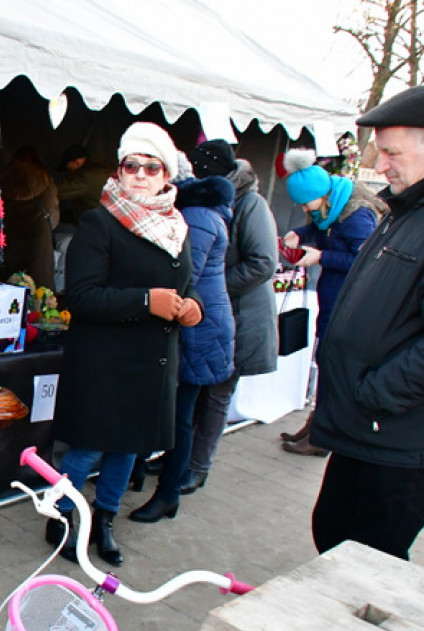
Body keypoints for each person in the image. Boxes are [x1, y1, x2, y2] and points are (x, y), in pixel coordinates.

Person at [48, 122, 202, 566]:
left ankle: (105, 519)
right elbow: (81, 296)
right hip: (105, 359)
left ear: (165, 175)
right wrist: (145, 301)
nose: (139, 174)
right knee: (89, 447)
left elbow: (189, 285)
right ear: (119, 171)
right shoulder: (100, 222)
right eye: (131, 165)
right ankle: (60, 518)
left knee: (128, 447)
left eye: (150, 167)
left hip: (152, 361)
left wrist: (193, 306)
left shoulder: (177, 226)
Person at [309, 86, 424, 560]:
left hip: (396, 439)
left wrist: (374, 393)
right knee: (333, 535)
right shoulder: (402, 212)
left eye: (392, 152)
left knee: (367, 560)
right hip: (365, 427)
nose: (381, 165)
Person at [130, 153, 234, 523]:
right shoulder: (195, 214)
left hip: (197, 328)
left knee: (180, 416)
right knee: (165, 408)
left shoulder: (198, 217)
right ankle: (139, 473)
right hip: (190, 324)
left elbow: (182, 275)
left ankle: (168, 494)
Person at [181, 144, 279, 494]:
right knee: (195, 390)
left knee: (216, 396)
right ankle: (180, 457)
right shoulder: (209, 202)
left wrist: (213, 286)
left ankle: (197, 466)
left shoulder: (251, 204)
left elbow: (264, 263)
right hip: (214, 314)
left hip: (241, 317)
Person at [279, 147, 385, 456]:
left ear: (321, 195)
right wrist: (300, 234)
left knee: (331, 363)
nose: (304, 210)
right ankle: (316, 425)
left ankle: (322, 434)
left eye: (306, 204)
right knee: (324, 360)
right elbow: (319, 227)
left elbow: (365, 260)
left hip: (349, 304)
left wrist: (321, 256)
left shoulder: (357, 217)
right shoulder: (332, 206)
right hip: (334, 298)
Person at [0, 144, 60, 288]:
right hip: (38, 232)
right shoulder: (45, 179)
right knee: (40, 287)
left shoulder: (4, 178)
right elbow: (52, 210)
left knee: (6, 285)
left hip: (8, 231)